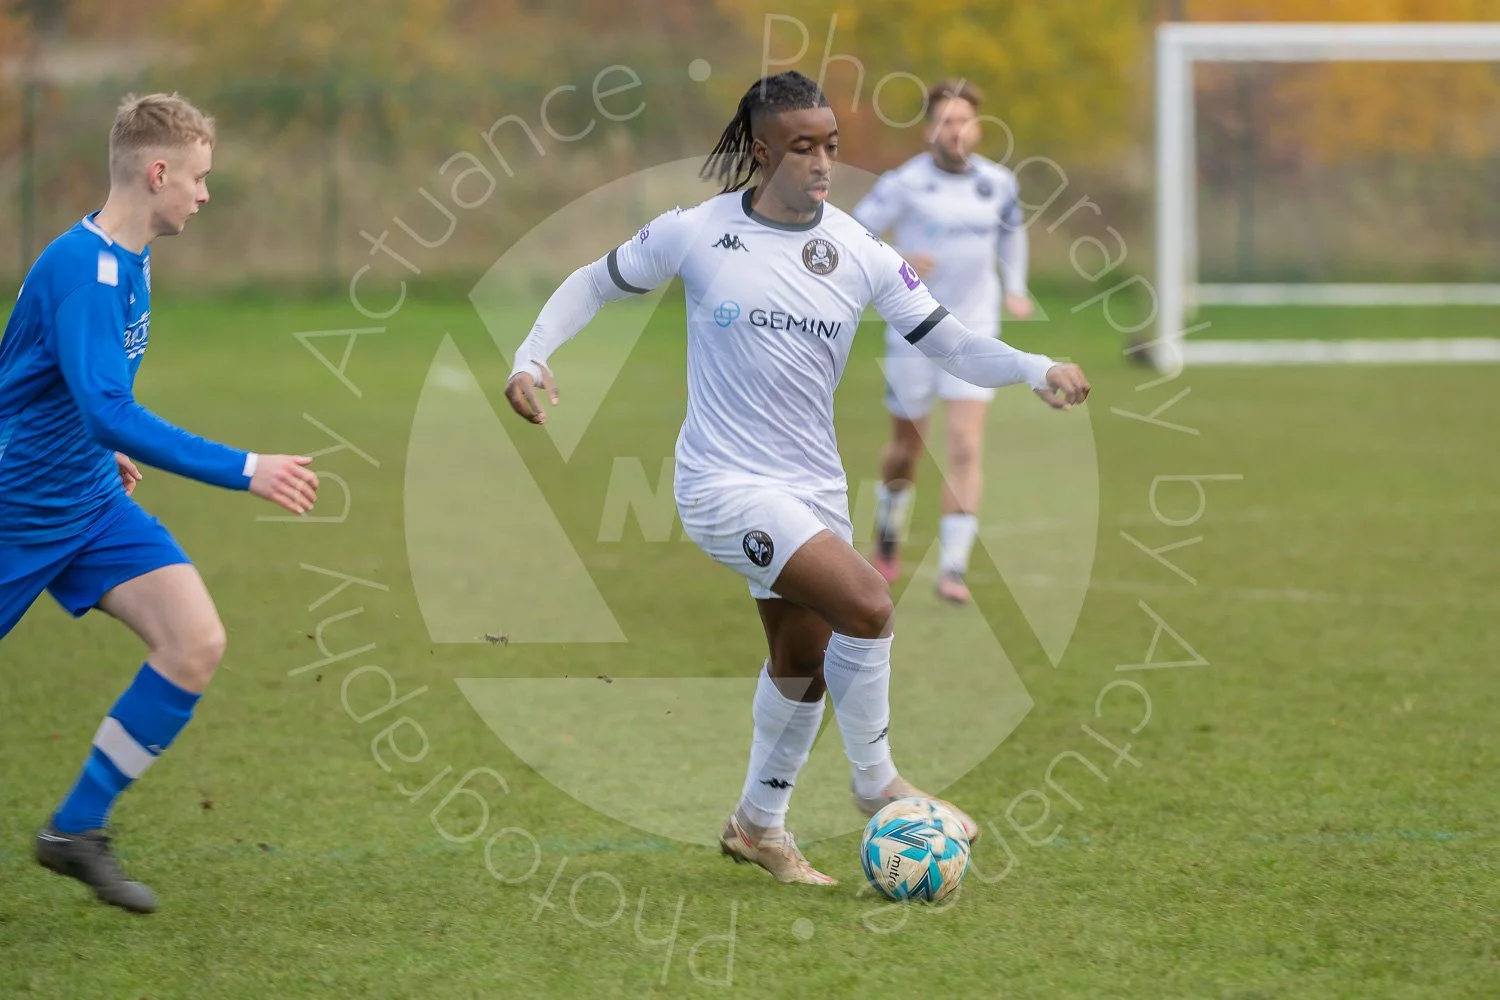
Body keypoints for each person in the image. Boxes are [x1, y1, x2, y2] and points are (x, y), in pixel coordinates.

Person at [503, 71, 1088, 885]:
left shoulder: (856, 249)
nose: (821, 163)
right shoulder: (697, 232)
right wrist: (532, 354)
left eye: (831, 146)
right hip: (720, 483)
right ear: (760, 149)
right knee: (869, 603)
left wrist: (1033, 365)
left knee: (802, 656)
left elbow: (949, 342)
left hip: (810, 488)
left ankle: (757, 826)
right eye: (803, 147)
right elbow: (594, 282)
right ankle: (875, 779)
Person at [0, 93, 320, 913]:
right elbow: (107, 403)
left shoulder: (131, 258)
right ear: (157, 172)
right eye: (200, 178)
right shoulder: (87, 269)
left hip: (88, 502)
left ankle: (75, 830)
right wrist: (245, 466)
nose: (205, 196)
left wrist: (96, 447)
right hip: (16, 509)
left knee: (194, 640)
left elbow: (70, 387)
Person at [852, 80, 1035, 604]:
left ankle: (953, 568)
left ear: (977, 128)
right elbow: (855, 232)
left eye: (964, 121)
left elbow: (1012, 234)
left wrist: (1016, 289)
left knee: (964, 445)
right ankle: (889, 527)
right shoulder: (905, 182)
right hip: (914, 329)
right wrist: (898, 259)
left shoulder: (998, 183)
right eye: (946, 121)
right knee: (906, 450)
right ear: (930, 128)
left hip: (975, 329)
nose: (956, 130)